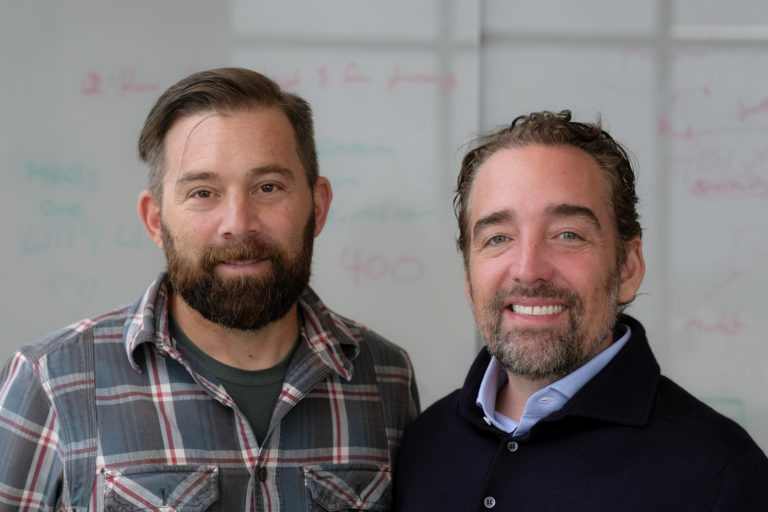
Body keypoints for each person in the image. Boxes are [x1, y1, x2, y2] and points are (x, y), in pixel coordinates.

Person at [0, 67, 419, 511]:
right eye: (203, 192)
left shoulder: (386, 377)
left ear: (317, 206)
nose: (238, 223)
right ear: (156, 220)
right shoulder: (51, 381)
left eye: (268, 187)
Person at [394, 110, 768, 511]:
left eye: (567, 235)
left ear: (627, 268)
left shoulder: (722, 477)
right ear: (469, 278)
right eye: (498, 238)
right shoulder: (422, 443)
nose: (528, 269)